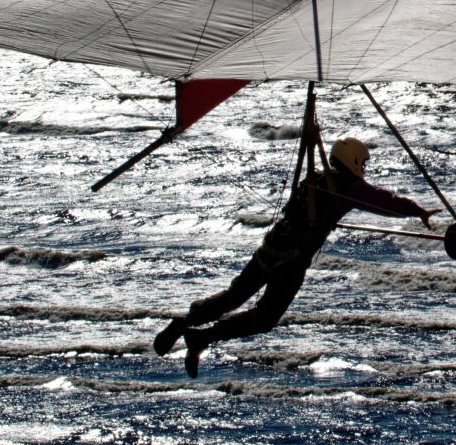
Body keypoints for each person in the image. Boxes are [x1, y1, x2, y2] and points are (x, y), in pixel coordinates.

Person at [153, 136, 439, 377]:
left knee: (232, 298)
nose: (363, 169)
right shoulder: (348, 187)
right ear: (352, 161)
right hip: (290, 262)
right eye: (362, 163)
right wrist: (418, 211)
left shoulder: (312, 178)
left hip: (269, 248)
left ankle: (185, 323)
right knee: (264, 319)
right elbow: (385, 201)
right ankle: (202, 337)